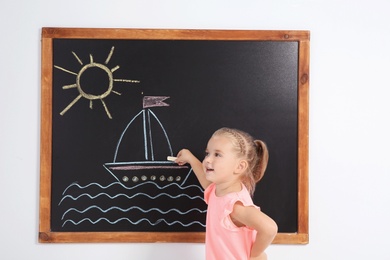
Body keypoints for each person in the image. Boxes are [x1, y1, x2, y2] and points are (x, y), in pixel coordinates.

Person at [175, 127, 277, 260]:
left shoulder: (234, 206)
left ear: (239, 167)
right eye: (207, 153)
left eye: (217, 154)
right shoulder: (219, 191)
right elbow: (206, 182)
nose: (207, 160)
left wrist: (255, 255)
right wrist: (190, 158)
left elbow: (269, 228)